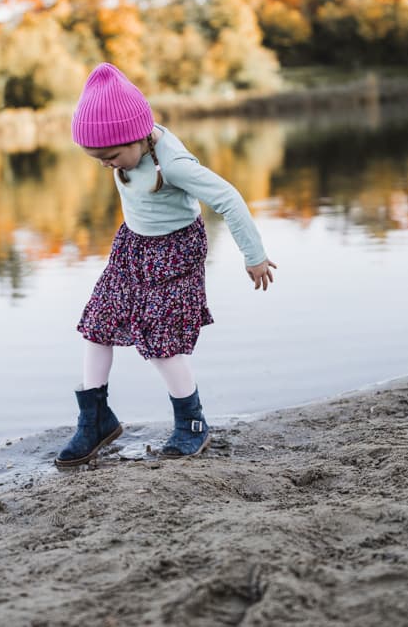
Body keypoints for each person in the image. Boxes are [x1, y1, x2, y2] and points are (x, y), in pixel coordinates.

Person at [56, 62, 276, 467]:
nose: (107, 164)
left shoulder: (172, 163)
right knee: (97, 324)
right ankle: (96, 420)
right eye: (98, 159)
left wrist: (254, 255)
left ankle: (192, 423)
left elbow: (228, 198)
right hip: (133, 247)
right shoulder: (125, 149)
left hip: (175, 253)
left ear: (138, 135)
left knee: (162, 341)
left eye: (111, 156)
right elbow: (125, 171)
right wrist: (115, 160)